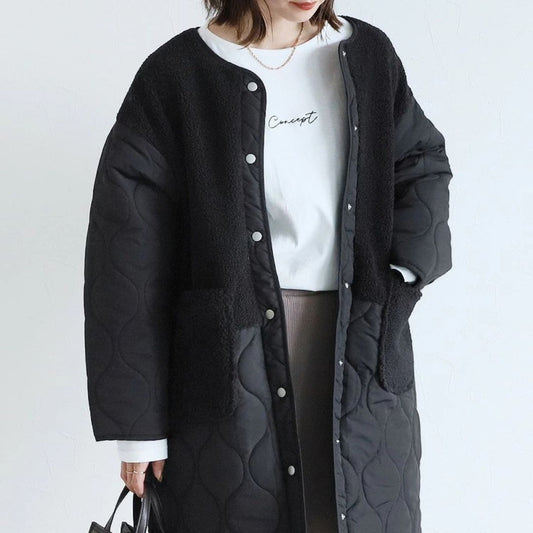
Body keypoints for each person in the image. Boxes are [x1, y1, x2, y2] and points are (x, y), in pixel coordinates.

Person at [83, 1, 453, 532]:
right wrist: (138, 429)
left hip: (361, 346)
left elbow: (421, 161)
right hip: (229, 367)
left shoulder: (370, 55)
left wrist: (404, 273)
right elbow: (126, 259)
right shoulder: (176, 76)